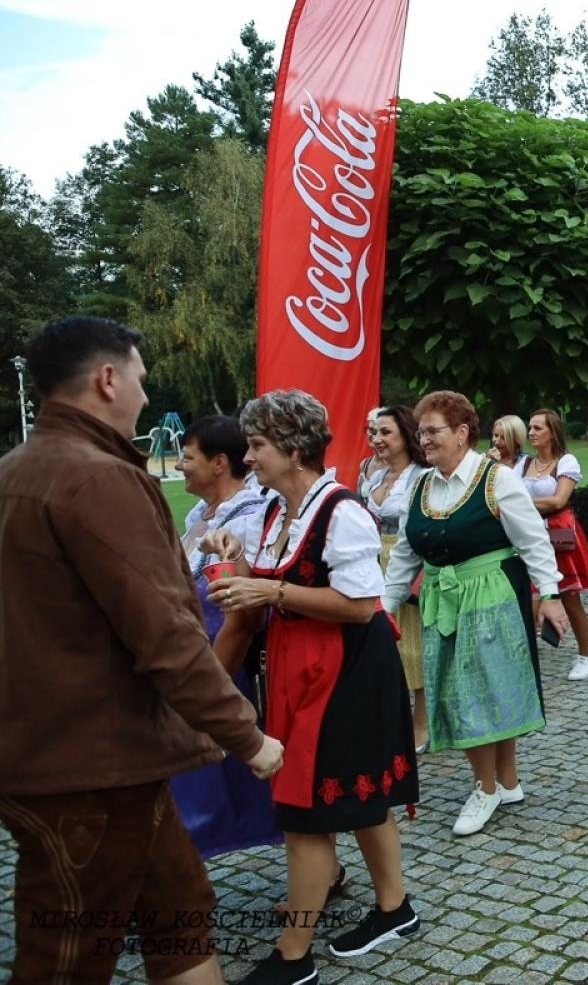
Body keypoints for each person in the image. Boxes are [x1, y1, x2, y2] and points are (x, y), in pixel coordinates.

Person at [0, 316, 283, 985]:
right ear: (106, 379)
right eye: (139, 378)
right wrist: (247, 736)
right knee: (66, 955)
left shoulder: (17, 470)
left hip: (90, 760)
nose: (145, 396)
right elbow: (165, 634)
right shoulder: (96, 478)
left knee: (180, 914)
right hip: (87, 769)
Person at [205, 388, 419, 984]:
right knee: (354, 795)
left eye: (257, 445)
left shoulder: (341, 510)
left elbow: (358, 605)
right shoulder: (278, 510)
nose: (248, 458)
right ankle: (395, 908)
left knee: (306, 812)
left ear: (295, 450)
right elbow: (279, 579)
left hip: (346, 669)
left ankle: (293, 958)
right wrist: (238, 562)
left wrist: (268, 592)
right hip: (305, 666)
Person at [381, 391, 571, 838]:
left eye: (433, 431)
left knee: (481, 693)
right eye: (421, 431)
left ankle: (485, 787)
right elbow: (406, 555)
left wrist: (551, 594)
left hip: (491, 597)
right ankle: (506, 782)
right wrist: (384, 607)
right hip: (442, 602)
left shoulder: (497, 479)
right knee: (459, 690)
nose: (424, 439)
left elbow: (533, 542)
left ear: (463, 432)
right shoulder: (421, 485)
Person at [170, 415, 279, 858]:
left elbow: (243, 613)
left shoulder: (247, 519)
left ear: (218, 464)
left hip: (223, 663)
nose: (179, 465)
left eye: (187, 456)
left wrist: (209, 683)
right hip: (192, 660)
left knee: (215, 774)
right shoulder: (201, 516)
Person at [361, 404, 429, 750]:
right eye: (374, 433)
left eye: (385, 432)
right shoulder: (375, 476)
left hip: (406, 560)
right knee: (383, 643)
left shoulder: (420, 476)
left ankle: (422, 722)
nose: (377, 439)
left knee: (412, 644)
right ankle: (392, 716)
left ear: (405, 435)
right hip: (373, 560)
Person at [523, 407, 588, 681]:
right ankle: (526, 656)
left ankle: (585, 656)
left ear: (553, 432)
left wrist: (520, 503)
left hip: (560, 534)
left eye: (538, 428)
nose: (531, 432)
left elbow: (559, 500)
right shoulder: (524, 464)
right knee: (531, 598)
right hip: (532, 533)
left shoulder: (566, 461)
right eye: (530, 427)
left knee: (570, 598)